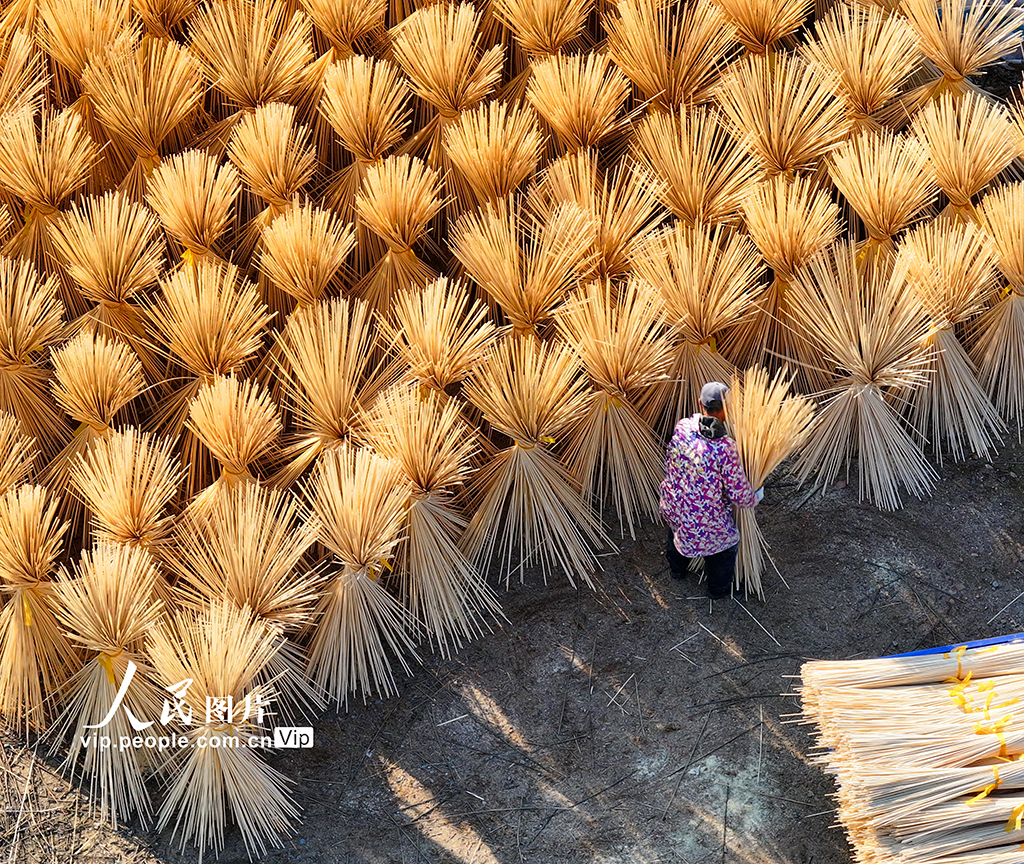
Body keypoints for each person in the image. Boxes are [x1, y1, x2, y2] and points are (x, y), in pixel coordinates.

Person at [659, 381, 761, 599]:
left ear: (699, 403)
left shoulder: (683, 427)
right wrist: (755, 495)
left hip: (674, 505)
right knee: (725, 547)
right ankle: (718, 590)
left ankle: (676, 570)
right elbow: (739, 496)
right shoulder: (725, 448)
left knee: (679, 531)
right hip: (703, 521)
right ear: (728, 409)